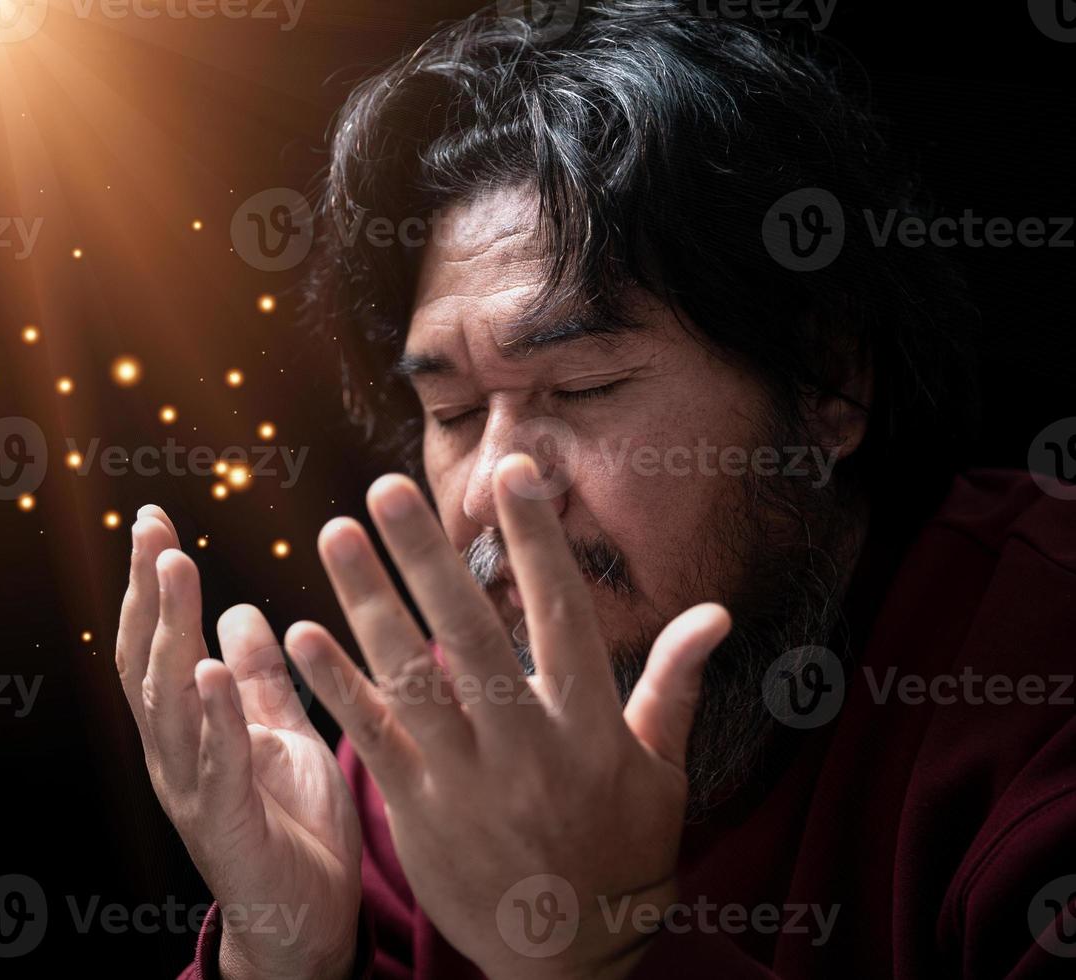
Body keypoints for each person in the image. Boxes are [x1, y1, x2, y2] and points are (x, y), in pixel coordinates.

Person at [115, 4, 1076, 976]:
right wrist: (279, 958)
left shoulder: (1034, 688)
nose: (495, 486)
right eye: (450, 413)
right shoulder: (443, 730)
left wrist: (607, 952)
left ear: (829, 384)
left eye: (582, 388)